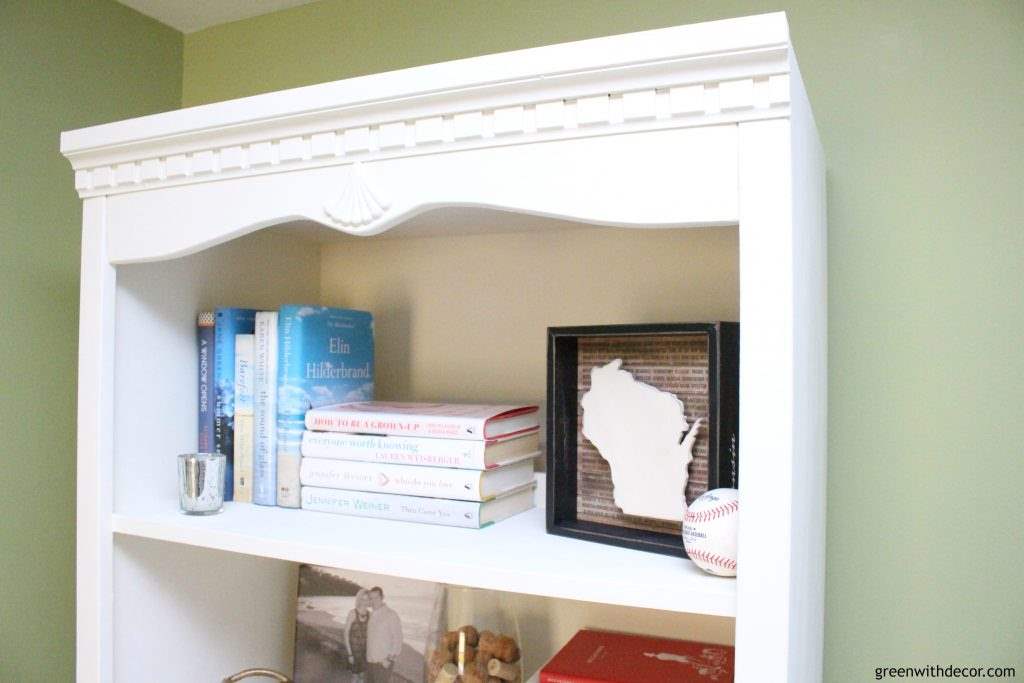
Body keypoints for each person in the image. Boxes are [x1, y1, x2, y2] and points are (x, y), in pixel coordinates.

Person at [365, 586, 403, 683]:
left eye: (376, 598)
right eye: (371, 598)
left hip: (382, 662)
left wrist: (389, 660)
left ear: (382, 597)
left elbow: (398, 639)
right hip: (370, 661)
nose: (373, 601)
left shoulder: (391, 615)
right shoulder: (372, 615)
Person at [344, 589, 371, 682]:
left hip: (365, 652)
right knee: (355, 676)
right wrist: (350, 654)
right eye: (363, 599)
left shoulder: (370, 615)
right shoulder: (352, 613)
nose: (365, 601)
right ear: (359, 600)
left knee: (362, 676)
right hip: (354, 652)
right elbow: (346, 634)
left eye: (367, 599)